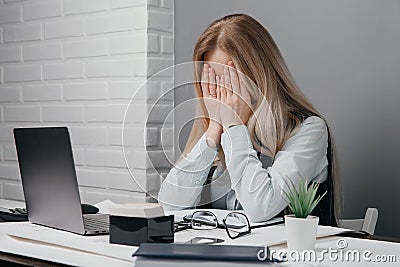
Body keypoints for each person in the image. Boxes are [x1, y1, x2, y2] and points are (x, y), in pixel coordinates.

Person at [158, 14, 341, 226]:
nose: (221, 91)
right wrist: (213, 133)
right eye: (212, 81)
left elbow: (261, 207)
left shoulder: (308, 130)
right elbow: (168, 206)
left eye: (231, 79)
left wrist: (235, 127)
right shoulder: (219, 135)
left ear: (259, 75)